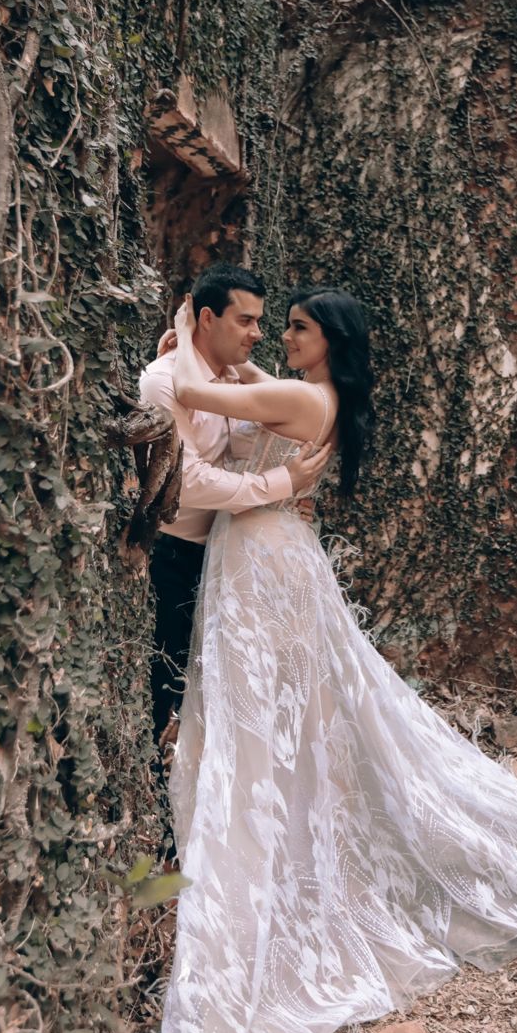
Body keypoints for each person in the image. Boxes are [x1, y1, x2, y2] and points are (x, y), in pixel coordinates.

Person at [160, 285, 517, 1033]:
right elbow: (248, 383)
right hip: (269, 556)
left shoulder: (297, 394)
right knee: (288, 724)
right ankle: (285, 842)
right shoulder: (315, 393)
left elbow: (186, 393)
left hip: (262, 567)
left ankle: (259, 864)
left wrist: (180, 349)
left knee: (260, 728)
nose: (278, 337)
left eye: (294, 327)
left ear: (325, 339)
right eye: (274, 324)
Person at [139, 264, 330, 748]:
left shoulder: (237, 384)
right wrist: (279, 484)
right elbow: (189, 482)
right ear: (206, 318)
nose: (259, 333)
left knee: (239, 695)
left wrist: (282, 497)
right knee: (174, 690)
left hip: (237, 560)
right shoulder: (164, 383)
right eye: (246, 321)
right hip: (180, 557)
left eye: (260, 320)